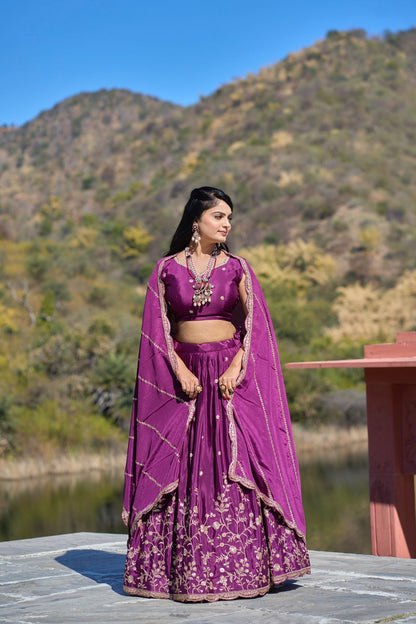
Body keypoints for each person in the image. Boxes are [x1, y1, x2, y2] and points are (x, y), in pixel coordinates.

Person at [122, 186, 310, 602]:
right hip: (183, 379)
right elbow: (156, 331)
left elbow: (256, 326)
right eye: (219, 216)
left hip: (228, 377)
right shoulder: (166, 270)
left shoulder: (238, 268)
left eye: (229, 218)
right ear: (196, 220)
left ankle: (244, 569)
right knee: (185, 467)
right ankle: (179, 573)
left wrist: (237, 365)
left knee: (230, 465)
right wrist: (178, 368)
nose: (227, 224)